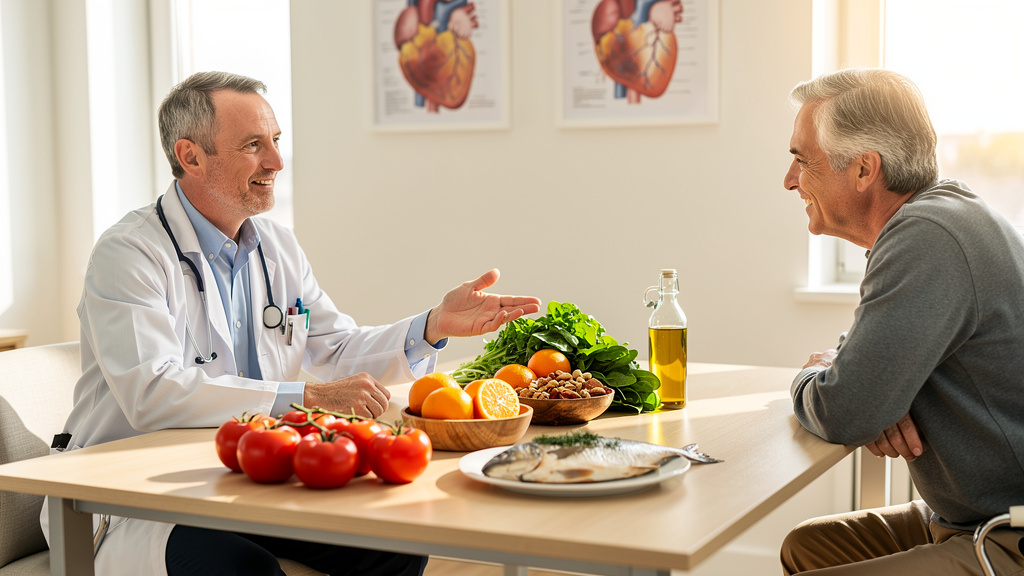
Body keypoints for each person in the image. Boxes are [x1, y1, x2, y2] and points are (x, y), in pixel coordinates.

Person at [44, 71, 541, 576]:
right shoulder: (129, 253)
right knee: (242, 568)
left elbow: (335, 348)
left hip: (244, 474)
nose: (277, 162)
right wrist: (304, 398)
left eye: (276, 141)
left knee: (394, 546)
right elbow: (152, 392)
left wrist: (433, 325)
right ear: (190, 156)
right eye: (253, 145)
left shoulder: (276, 246)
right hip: (134, 493)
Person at [780, 68, 1024, 575]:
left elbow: (847, 408)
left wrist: (811, 379)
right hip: (964, 516)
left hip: (1007, 531)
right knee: (807, 548)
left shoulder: (927, 236)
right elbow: (862, 378)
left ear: (865, 169)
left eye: (802, 161)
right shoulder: (935, 221)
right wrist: (872, 391)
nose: (790, 180)